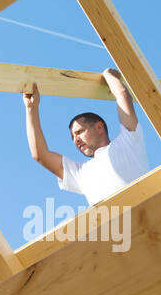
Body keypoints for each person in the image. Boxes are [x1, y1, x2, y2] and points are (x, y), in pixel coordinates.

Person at [24, 67, 148, 206]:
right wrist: (31, 109)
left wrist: (109, 76)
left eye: (79, 132)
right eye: (72, 137)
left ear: (99, 127)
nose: (76, 140)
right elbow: (40, 154)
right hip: (117, 227)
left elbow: (123, 95)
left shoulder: (128, 142)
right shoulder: (81, 173)